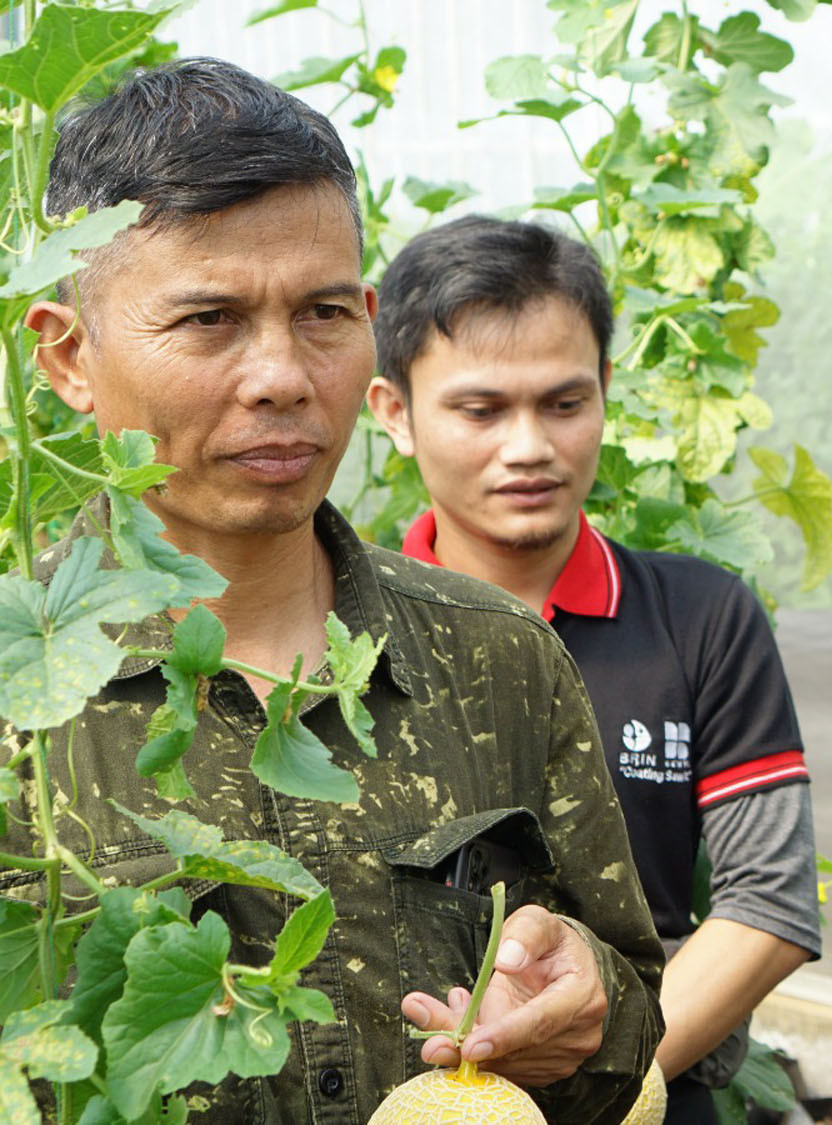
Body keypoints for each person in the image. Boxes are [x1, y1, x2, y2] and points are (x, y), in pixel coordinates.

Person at [5, 58, 664, 1120]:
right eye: (208, 319)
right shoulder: (16, 701)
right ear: (69, 356)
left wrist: (587, 1002)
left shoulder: (498, 656)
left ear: (366, 319)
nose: (281, 375)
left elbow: (632, 1010)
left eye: (320, 313)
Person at [365, 216, 820, 1124]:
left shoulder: (701, 617)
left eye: (564, 403)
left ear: (606, 390)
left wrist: (616, 1077)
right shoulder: (340, 641)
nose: (529, 445)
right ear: (393, 413)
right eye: (481, 409)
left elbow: (769, 901)